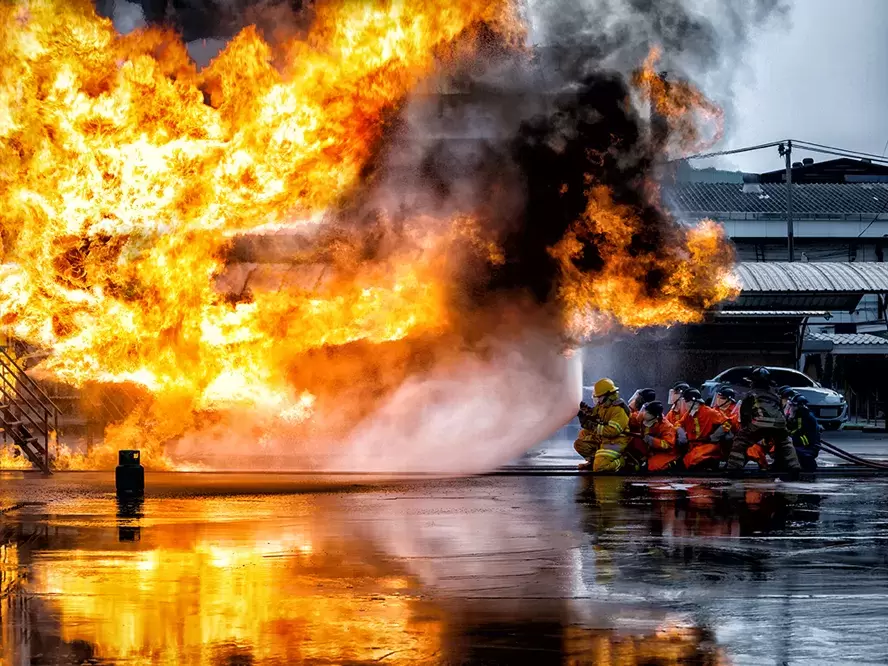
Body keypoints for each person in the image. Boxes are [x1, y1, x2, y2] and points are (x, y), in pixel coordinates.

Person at [725, 367, 802, 478]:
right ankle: (794, 467)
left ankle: (734, 469)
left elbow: (745, 414)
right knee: (785, 443)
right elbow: (781, 412)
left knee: (740, 442)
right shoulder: (775, 396)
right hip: (778, 424)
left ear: (753, 382)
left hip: (758, 423)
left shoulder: (751, 395)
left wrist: (745, 428)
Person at [573, 378, 632, 473]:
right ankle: (593, 462)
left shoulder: (618, 410)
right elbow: (594, 414)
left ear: (608, 395)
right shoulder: (603, 405)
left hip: (615, 443)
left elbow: (612, 431)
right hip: (604, 439)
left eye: (599, 397)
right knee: (579, 444)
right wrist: (584, 410)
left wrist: (592, 426)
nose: (597, 400)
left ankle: (624, 461)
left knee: (600, 468)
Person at [677, 388, 730, 471]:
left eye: (686, 401)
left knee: (693, 458)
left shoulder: (710, 412)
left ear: (693, 402)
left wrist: (714, 436)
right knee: (687, 459)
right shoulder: (689, 414)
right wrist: (681, 433)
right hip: (693, 446)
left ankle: (711, 463)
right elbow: (678, 424)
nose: (685, 404)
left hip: (707, 445)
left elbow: (728, 423)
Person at [630, 401, 679, 472]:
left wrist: (652, 440)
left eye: (648, 412)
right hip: (650, 449)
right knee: (633, 441)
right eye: (645, 411)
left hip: (665, 452)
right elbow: (633, 418)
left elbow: (668, 444)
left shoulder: (666, 427)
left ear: (656, 416)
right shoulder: (644, 417)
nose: (644, 413)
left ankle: (671, 463)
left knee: (653, 466)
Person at [787, 394, 820, 472]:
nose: (791, 408)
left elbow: (798, 432)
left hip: (808, 448)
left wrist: (790, 439)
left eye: (793, 406)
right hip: (803, 446)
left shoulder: (806, 417)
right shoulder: (798, 416)